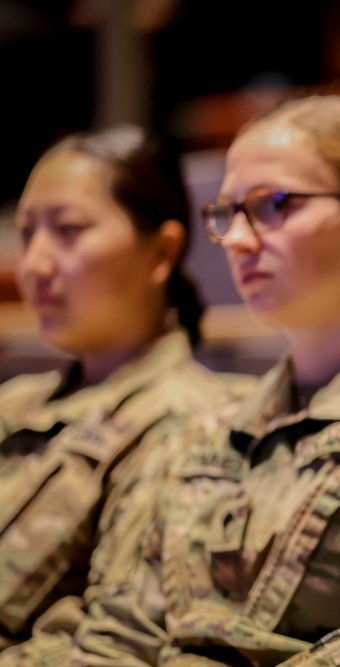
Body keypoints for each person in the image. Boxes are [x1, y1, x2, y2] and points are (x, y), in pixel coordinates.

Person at [0, 94, 340, 667]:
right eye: (228, 212)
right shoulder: (220, 426)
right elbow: (125, 637)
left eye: (275, 205)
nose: (235, 238)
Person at [0, 125, 252, 649]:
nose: (36, 264)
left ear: (160, 252)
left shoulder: (193, 425)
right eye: (25, 233)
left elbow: (119, 648)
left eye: (67, 230)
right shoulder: (15, 401)